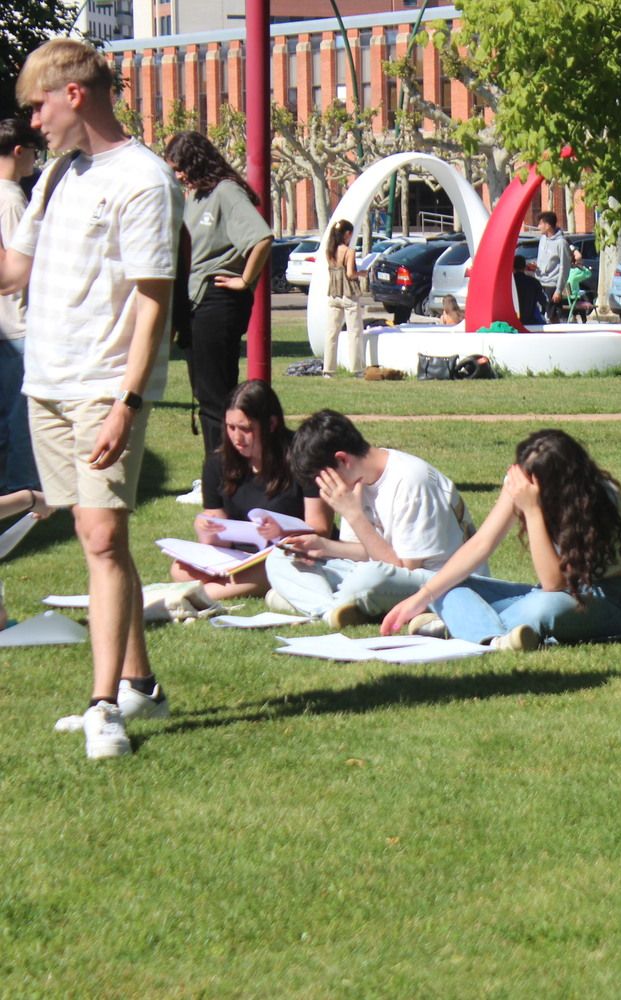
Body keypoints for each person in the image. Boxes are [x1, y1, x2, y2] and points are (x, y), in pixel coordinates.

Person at [0, 38, 183, 758]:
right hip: (45, 383)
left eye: (36, 107)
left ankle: (103, 705)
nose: (31, 124)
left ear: (74, 94)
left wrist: (128, 404)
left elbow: (152, 305)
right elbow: (14, 269)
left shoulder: (142, 180)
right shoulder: (54, 179)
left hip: (103, 388)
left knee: (103, 539)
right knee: (98, 536)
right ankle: (142, 684)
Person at [382, 429, 621, 651]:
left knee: (542, 608)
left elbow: (553, 584)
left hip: (604, 600)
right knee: (444, 585)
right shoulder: (523, 481)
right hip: (545, 594)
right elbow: (482, 543)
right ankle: (491, 633)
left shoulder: (598, 500)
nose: (520, 486)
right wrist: (422, 596)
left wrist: (533, 510)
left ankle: (473, 629)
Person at [265, 409, 479, 628]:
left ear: (342, 459)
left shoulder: (411, 481)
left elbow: (402, 569)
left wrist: (354, 515)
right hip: (382, 571)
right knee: (279, 558)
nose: (324, 492)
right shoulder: (356, 480)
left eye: (325, 481)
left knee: (368, 578)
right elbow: (364, 551)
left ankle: (314, 603)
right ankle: (332, 611)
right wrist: (324, 547)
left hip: (440, 582)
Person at [163, 131, 273, 463]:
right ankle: (223, 468)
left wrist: (244, 281)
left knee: (215, 396)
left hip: (218, 301)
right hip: (196, 304)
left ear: (197, 162)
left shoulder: (225, 191)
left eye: (181, 168)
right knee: (205, 393)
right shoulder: (194, 197)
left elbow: (262, 238)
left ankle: (222, 473)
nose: (179, 176)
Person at [168, 380, 333, 600]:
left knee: (275, 564)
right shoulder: (219, 462)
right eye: (230, 427)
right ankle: (214, 589)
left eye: (246, 429)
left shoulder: (303, 458)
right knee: (179, 569)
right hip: (238, 555)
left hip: (289, 553)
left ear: (271, 424)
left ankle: (202, 595)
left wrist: (283, 532)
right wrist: (207, 528)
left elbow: (320, 528)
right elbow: (217, 529)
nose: (236, 438)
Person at [0, 117, 43, 496]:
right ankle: (20, 484)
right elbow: (21, 263)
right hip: (18, 319)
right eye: (33, 151)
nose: (35, 159)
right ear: (18, 151)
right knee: (20, 411)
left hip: (6, 321)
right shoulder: (12, 199)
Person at [324, 219, 364, 376]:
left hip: (334, 293)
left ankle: (328, 369)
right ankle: (356, 368)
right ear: (347, 234)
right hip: (348, 294)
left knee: (331, 333)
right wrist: (362, 273)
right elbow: (350, 274)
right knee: (354, 332)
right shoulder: (349, 251)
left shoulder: (329, 251)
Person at [533, 211, 570, 322]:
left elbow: (565, 267)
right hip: (540, 282)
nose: (538, 227)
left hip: (552, 285)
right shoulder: (542, 239)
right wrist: (535, 266)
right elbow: (541, 260)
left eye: (540, 224)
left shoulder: (561, 243)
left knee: (552, 316)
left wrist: (558, 290)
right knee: (539, 314)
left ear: (548, 225)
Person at [513, 253, 547, 326]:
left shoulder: (509, 284)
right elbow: (544, 302)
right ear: (525, 267)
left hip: (513, 320)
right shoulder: (533, 282)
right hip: (530, 321)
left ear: (512, 267)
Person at [565, 244, 593, 321]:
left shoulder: (565, 271)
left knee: (579, 295)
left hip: (564, 298)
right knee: (581, 297)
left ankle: (574, 317)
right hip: (573, 299)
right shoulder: (575, 272)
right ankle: (584, 319)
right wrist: (581, 267)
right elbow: (588, 274)